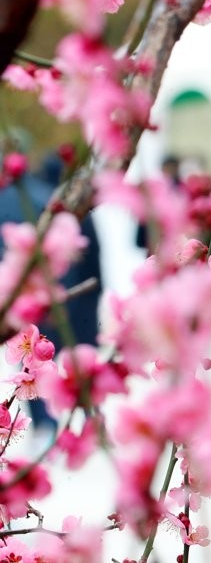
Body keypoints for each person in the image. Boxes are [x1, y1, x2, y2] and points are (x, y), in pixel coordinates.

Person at [0, 153, 102, 441]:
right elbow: (91, 259)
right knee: (58, 356)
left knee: (31, 356)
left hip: (15, 295)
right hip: (63, 294)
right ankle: (70, 417)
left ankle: (44, 421)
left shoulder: (10, 201)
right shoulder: (58, 204)